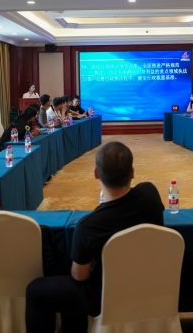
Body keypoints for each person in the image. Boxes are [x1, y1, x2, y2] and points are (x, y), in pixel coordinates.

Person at [25, 142, 164, 332]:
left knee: (35, 290)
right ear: (132, 173)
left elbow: (80, 276)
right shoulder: (150, 193)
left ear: (96, 173)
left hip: (106, 297)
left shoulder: (88, 226)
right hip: (152, 287)